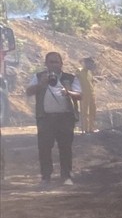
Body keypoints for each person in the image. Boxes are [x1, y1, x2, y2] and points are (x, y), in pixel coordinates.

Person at [26, 51, 81, 186]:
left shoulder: (70, 78)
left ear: (61, 64)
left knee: (65, 147)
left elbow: (80, 95)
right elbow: (28, 92)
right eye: (51, 62)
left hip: (65, 118)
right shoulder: (38, 77)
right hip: (45, 118)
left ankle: (66, 176)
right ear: (46, 64)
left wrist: (68, 93)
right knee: (44, 148)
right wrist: (41, 84)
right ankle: (46, 177)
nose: (54, 64)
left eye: (56, 62)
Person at [77, 57, 97, 134]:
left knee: (93, 111)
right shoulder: (79, 71)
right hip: (83, 94)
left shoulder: (90, 72)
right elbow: (76, 80)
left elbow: (91, 83)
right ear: (85, 63)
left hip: (92, 94)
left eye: (91, 63)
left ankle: (91, 128)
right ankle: (85, 130)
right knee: (85, 112)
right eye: (89, 63)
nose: (91, 65)